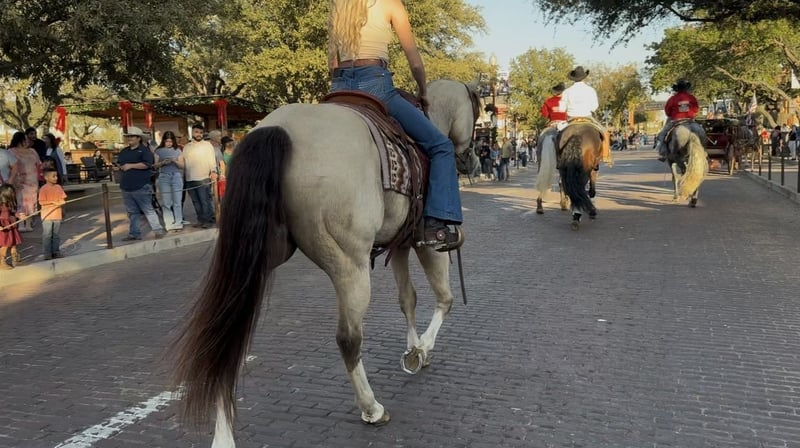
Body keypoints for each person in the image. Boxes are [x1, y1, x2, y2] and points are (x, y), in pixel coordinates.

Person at [328, 0, 462, 251]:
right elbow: (415, 62)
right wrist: (423, 91)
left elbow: (333, 64)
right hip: (375, 86)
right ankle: (434, 224)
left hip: (338, 88)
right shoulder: (391, 5)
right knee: (441, 146)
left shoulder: (340, 5)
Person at [115, 126, 166, 241]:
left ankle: (158, 230)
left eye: (132, 136)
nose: (129, 138)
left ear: (139, 138)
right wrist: (119, 166)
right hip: (126, 185)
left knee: (148, 209)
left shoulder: (145, 151)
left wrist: (130, 166)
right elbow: (119, 163)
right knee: (132, 212)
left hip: (141, 185)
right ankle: (134, 233)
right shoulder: (124, 151)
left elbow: (147, 164)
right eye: (128, 136)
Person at [655, 79, 704, 161]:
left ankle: (663, 154)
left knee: (661, 135)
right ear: (686, 88)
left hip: (676, 121)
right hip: (690, 121)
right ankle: (705, 152)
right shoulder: (691, 97)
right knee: (703, 133)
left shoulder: (672, 99)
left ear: (677, 89)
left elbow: (667, 111)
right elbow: (696, 109)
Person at [182, 124, 217, 228]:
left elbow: (212, 160)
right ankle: (200, 219)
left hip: (203, 177)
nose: (199, 134)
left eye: (201, 133)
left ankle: (208, 220)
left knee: (204, 200)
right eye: (196, 132)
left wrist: (213, 171)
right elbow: (183, 162)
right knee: (195, 201)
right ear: (192, 132)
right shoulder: (187, 147)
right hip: (189, 178)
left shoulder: (207, 145)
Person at [8, 131, 41, 233]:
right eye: (25, 139)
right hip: (19, 180)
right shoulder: (11, 151)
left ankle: (28, 224)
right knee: (21, 202)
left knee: (31, 202)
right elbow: (9, 166)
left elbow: (38, 164)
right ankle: (21, 224)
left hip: (32, 181)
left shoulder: (32, 151)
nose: (28, 141)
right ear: (20, 140)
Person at [154, 131, 185, 232]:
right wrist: (163, 162)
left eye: (171, 141)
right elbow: (154, 166)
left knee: (177, 201)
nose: (169, 143)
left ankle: (178, 222)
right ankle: (169, 223)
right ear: (163, 141)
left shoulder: (178, 150)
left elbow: (182, 166)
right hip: (164, 176)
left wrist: (174, 161)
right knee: (166, 202)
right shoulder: (158, 151)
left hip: (176, 176)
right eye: (167, 141)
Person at [38, 168, 67, 259]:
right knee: (47, 235)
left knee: (56, 235)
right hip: (47, 216)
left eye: (56, 176)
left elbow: (63, 198)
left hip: (57, 215)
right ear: (46, 178)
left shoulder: (58, 187)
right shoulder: (43, 189)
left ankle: (56, 252)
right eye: (53, 176)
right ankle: (47, 253)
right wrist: (53, 202)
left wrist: (62, 202)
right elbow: (41, 202)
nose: (56, 178)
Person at [537, 82, 567, 163]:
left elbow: (544, 115)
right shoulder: (567, 100)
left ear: (555, 91)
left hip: (553, 124)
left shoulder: (548, 101)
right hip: (566, 124)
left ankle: (540, 159)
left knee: (541, 139)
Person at [0, 183, 22, 269]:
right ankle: (1, 262)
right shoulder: (1, 204)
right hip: (4, 226)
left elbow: (12, 213)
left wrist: (19, 216)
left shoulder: (10, 203)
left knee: (13, 242)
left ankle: (15, 259)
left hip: (11, 224)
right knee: (5, 244)